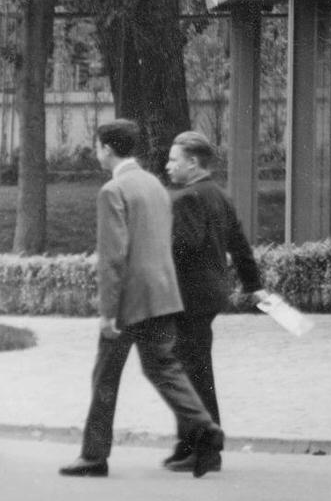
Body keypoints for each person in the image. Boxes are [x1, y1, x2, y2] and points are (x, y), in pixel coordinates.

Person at [59, 119, 223, 479]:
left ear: (107, 149)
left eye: (98, 146)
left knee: (105, 377)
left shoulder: (112, 191)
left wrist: (107, 312)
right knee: (163, 367)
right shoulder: (154, 184)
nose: (97, 152)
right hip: (162, 294)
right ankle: (204, 426)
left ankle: (93, 457)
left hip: (129, 300)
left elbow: (113, 257)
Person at [163, 130, 266, 473]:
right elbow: (239, 244)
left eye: (174, 160)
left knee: (192, 373)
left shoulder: (187, 198)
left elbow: (184, 247)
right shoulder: (219, 195)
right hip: (210, 294)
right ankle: (188, 445)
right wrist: (253, 284)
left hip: (188, 295)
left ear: (193, 163)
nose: (168, 166)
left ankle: (205, 450)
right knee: (190, 369)